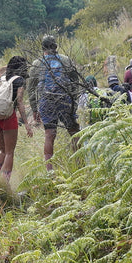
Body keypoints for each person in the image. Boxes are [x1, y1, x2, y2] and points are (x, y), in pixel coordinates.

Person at [27, 34, 84, 170]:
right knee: (74, 131)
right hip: (65, 99)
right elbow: (75, 81)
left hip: (46, 101)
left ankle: (50, 171)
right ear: (56, 46)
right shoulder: (65, 60)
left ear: (42, 48)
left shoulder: (37, 64)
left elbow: (31, 88)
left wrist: (35, 109)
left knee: (49, 135)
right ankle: (80, 165)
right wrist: (74, 101)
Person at [0, 54, 33, 189]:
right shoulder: (19, 81)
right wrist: (27, 124)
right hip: (8, 116)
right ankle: (4, 183)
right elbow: (19, 102)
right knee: (9, 152)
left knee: (2, 150)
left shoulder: (1, 79)